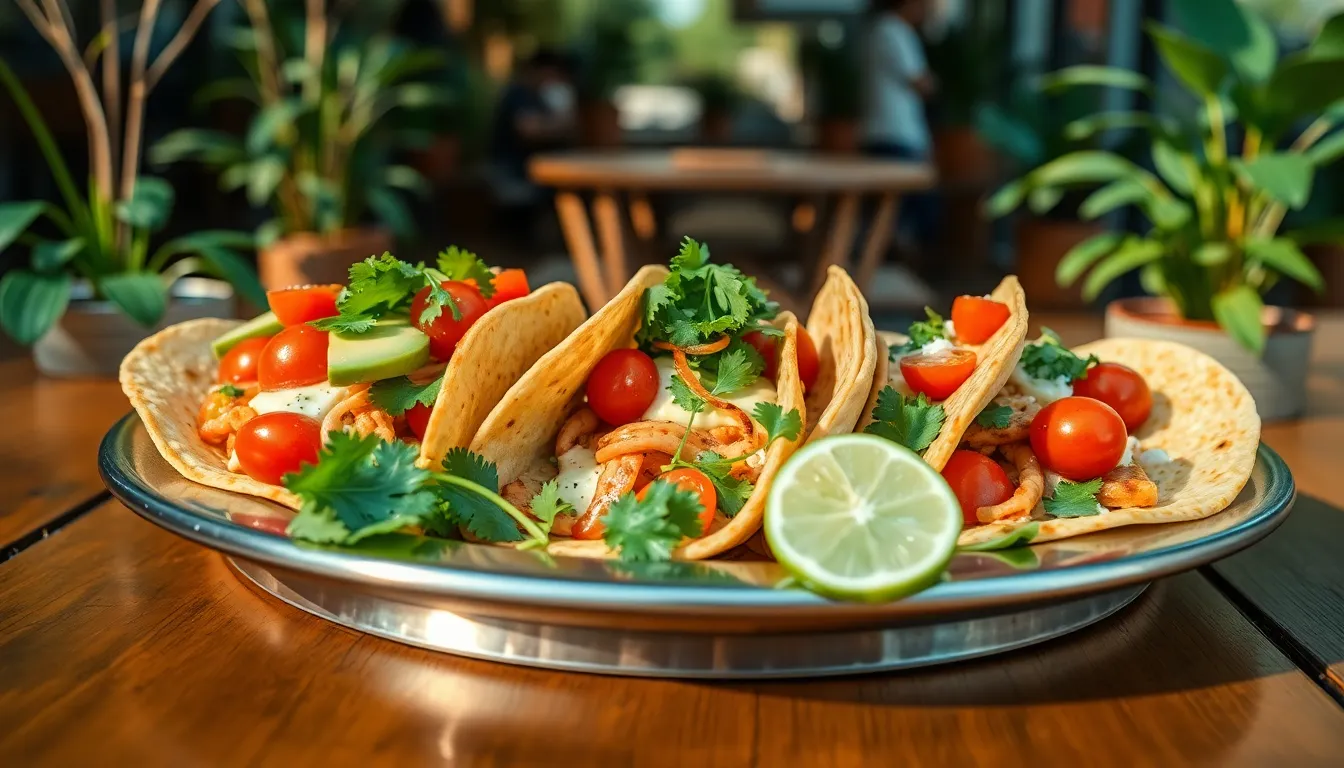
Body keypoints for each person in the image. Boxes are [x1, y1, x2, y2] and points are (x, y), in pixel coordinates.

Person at [863, 0, 938, 251]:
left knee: (888, 211)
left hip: (886, 131)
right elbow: (921, 81)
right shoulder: (893, 30)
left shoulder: (880, 30)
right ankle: (893, 261)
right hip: (896, 134)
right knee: (905, 210)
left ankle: (886, 261)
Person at [488, 49, 577, 204]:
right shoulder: (519, 94)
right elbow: (529, 130)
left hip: (532, 173)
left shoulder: (539, 97)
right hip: (513, 174)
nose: (555, 80)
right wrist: (561, 123)